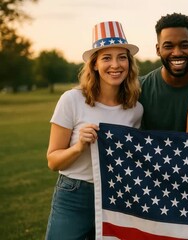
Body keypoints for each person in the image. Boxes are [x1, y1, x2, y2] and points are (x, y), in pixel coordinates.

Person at [45, 21, 143, 240]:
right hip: (75, 194)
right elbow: (52, 161)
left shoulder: (135, 109)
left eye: (122, 57)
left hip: (116, 196)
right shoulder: (72, 100)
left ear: (129, 63)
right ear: (95, 64)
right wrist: (79, 146)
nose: (115, 65)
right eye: (106, 58)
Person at [139, 12, 188, 132]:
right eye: (168, 46)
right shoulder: (139, 89)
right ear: (158, 49)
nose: (177, 53)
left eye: (184, 45)